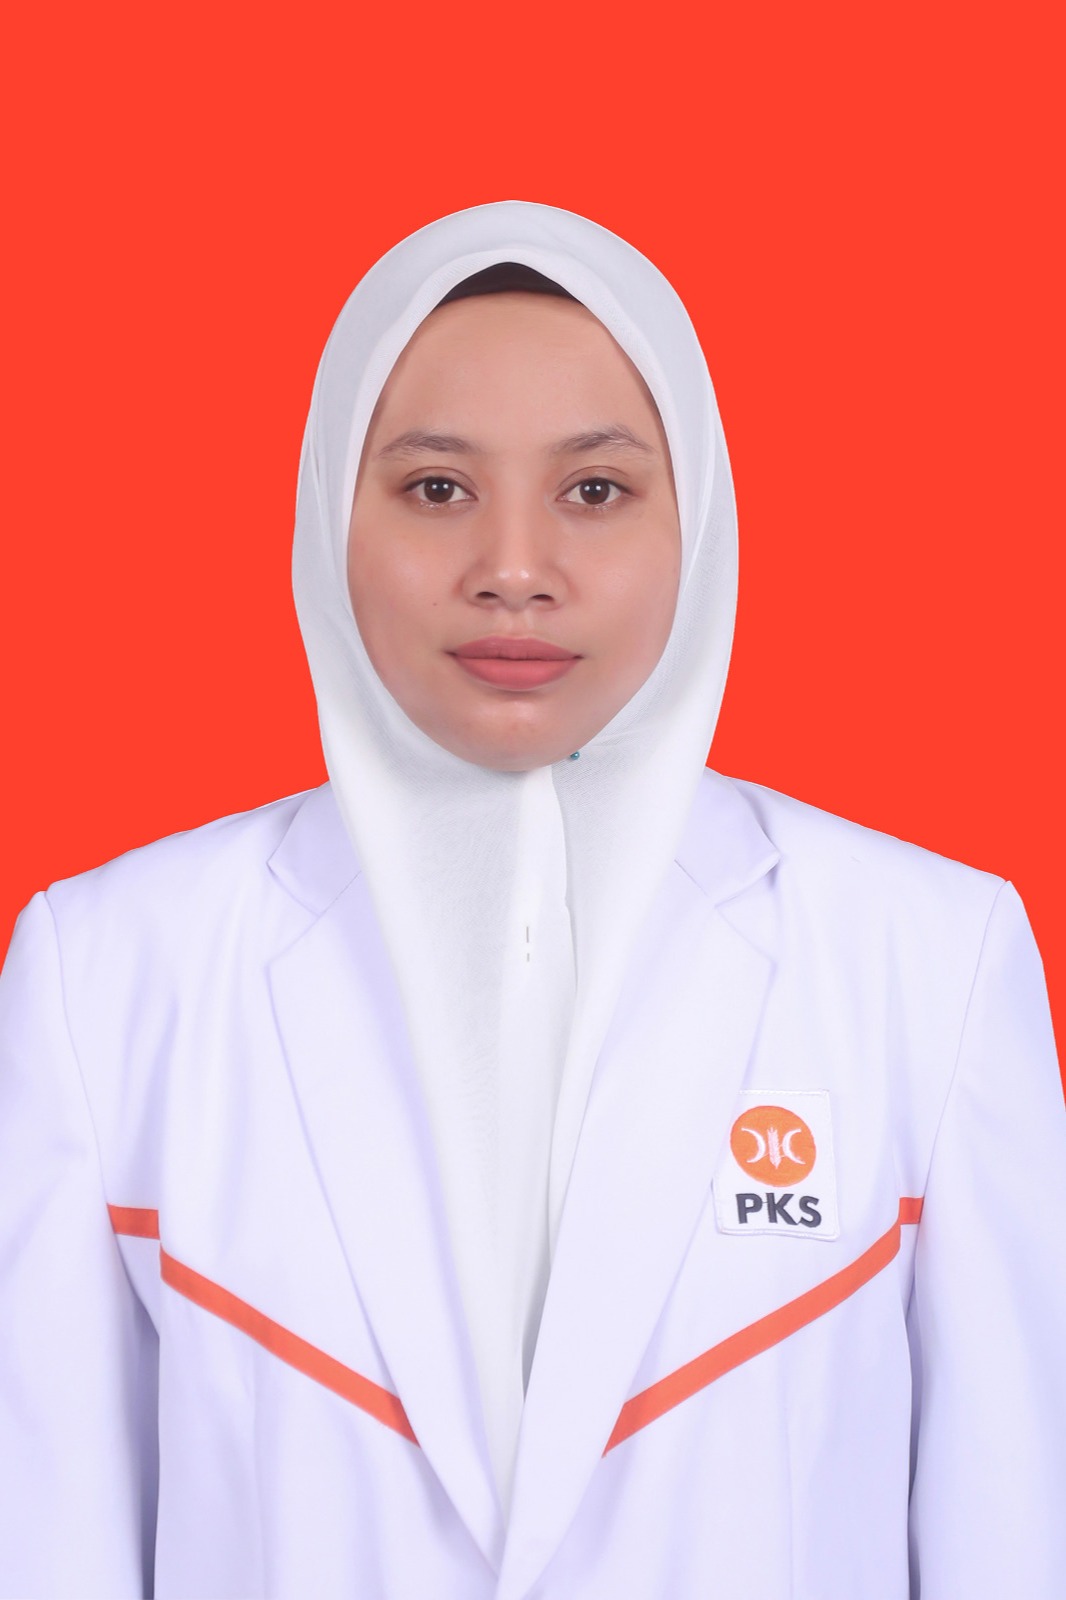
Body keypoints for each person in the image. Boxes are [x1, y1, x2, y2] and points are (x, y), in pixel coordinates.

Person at [0, 200, 1062, 1600]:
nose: (512, 568)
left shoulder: (927, 958)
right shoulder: (108, 975)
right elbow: (49, 1548)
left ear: (699, 520)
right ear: (330, 513)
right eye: (437, 488)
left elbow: (1012, 1542)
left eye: (595, 490)